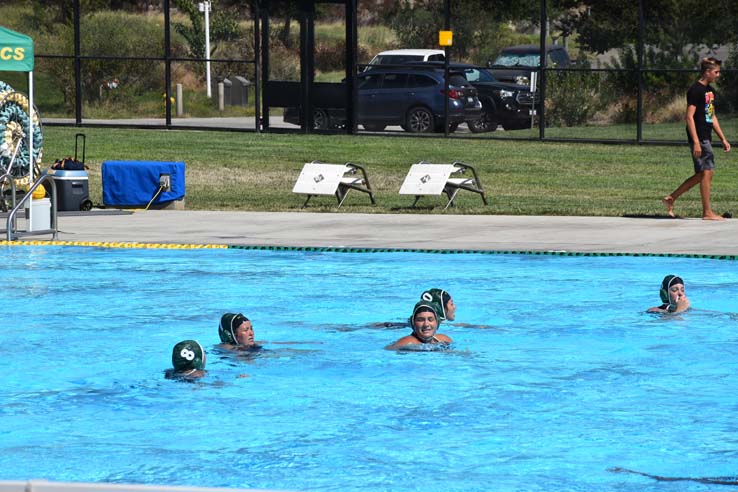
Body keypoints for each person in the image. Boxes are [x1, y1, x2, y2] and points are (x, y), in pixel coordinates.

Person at [662, 57, 731, 220]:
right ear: (707, 72)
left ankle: (671, 198)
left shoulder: (710, 92)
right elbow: (689, 117)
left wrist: (723, 139)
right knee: (706, 173)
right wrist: (695, 142)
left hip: (706, 135)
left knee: (703, 174)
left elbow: (711, 116)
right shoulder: (695, 90)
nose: (718, 75)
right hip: (699, 136)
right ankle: (707, 212)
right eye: (716, 72)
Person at [386, 300, 452, 349]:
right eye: (420, 320)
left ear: (437, 322)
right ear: (413, 323)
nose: (426, 324)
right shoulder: (405, 343)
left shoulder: (444, 339)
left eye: (430, 319)